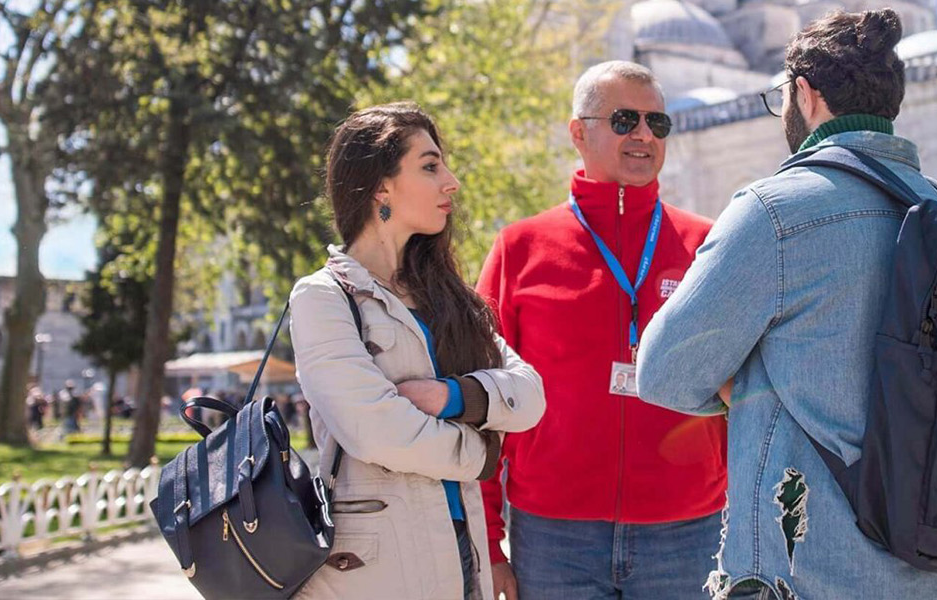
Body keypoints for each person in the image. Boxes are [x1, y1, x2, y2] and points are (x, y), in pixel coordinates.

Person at [637, 9, 937, 599]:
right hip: (930, 570)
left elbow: (663, 372)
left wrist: (752, 379)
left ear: (805, 96)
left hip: (800, 572)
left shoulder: (776, 212)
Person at [477, 61, 727, 600]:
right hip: (552, 537)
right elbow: (485, 399)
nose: (643, 135)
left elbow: (747, 387)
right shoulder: (519, 249)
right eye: (623, 119)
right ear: (578, 132)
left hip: (689, 533)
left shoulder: (710, 244)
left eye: (657, 123)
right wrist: (488, 542)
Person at [290, 102, 546, 599]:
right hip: (375, 565)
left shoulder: (449, 299)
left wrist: (453, 397)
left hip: (461, 550)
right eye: (430, 166)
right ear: (380, 186)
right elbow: (376, 432)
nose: (451, 182)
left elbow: (531, 395)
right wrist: (480, 451)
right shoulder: (323, 297)